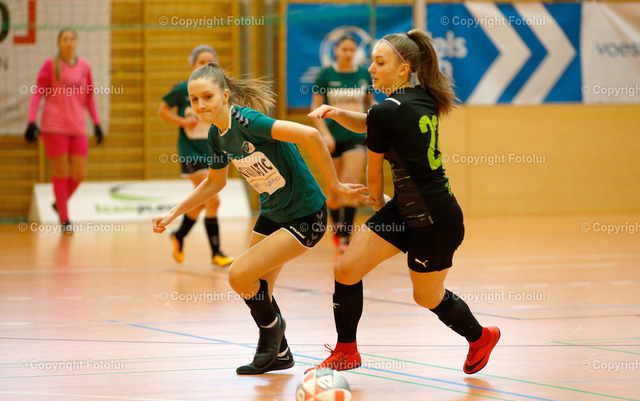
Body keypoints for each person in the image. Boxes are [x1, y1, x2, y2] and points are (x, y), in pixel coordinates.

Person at [152, 63, 366, 375]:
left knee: (239, 275)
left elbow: (309, 134)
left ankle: (272, 330)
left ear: (225, 96)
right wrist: (173, 213)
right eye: (194, 99)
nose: (200, 105)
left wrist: (334, 183)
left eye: (207, 97)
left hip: (306, 215)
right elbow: (214, 183)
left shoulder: (247, 120)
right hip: (273, 213)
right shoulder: (216, 135)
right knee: (259, 288)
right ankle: (281, 353)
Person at [307, 29, 500, 375]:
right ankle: (346, 351)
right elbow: (374, 122)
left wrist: (377, 206)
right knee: (346, 270)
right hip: (409, 209)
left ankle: (481, 337)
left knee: (426, 297)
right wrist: (337, 112)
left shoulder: (386, 111)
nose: (371, 69)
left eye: (379, 63)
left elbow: (373, 175)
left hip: (435, 221)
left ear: (403, 68)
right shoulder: (422, 97)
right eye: (371, 62)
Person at [158, 45, 234, 267]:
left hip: (212, 151)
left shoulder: (219, 91)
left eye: (210, 62)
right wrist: (183, 121)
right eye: (201, 62)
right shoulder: (184, 89)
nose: (206, 66)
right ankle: (217, 253)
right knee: (213, 199)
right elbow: (162, 111)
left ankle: (179, 235)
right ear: (192, 65)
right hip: (190, 152)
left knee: (200, 204)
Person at [25, 28, 103, 233]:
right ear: (59, 43)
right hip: (54, 127)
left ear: (76, 42)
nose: (68, 43)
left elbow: (89, 96)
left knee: (79, 174)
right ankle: (65, 219)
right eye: (64, 39)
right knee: (61, 172)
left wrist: (96, 123)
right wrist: (31, 121)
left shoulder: (85, 66)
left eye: (71, 39)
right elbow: (37, 92)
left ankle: (59, 203)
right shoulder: (51, 64)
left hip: (78, 127)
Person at [311, 35, 374, 252]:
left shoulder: (363, 75)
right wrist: (325, 134)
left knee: (350, 183)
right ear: (336, 50)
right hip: (332, 138)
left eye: (352, 50)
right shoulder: (326, 75)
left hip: (356, 137)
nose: (348, 53)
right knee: (335, 192)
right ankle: (337, 229)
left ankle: (346, 237)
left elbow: (370, 105)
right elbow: (316, 108)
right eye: (344, 49)